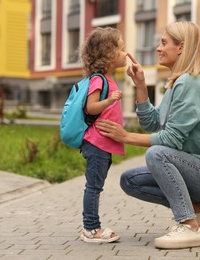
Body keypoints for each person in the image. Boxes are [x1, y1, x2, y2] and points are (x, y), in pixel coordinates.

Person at [96, 21, 200, 249]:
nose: (158, 48)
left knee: (158, 154)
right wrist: (141, 85)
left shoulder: (190, 83)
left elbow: (170, 140)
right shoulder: (177, 84)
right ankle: (199, 209)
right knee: (130, 181)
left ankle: (189, 226)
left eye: (164, 43)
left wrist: (125, 136)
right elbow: (153, 123)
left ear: (181, 48)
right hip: (198, 172)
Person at [79, 27, 127, 243]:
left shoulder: (109, 79)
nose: (126, 54)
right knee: (94, 186)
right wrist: (109, 101)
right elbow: (91, 107)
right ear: (109, 54)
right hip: (97, 143)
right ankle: (90, 229)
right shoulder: (99, 80)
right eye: (122, 49)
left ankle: (91, 227)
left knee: (96, 185)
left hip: (102, 144)